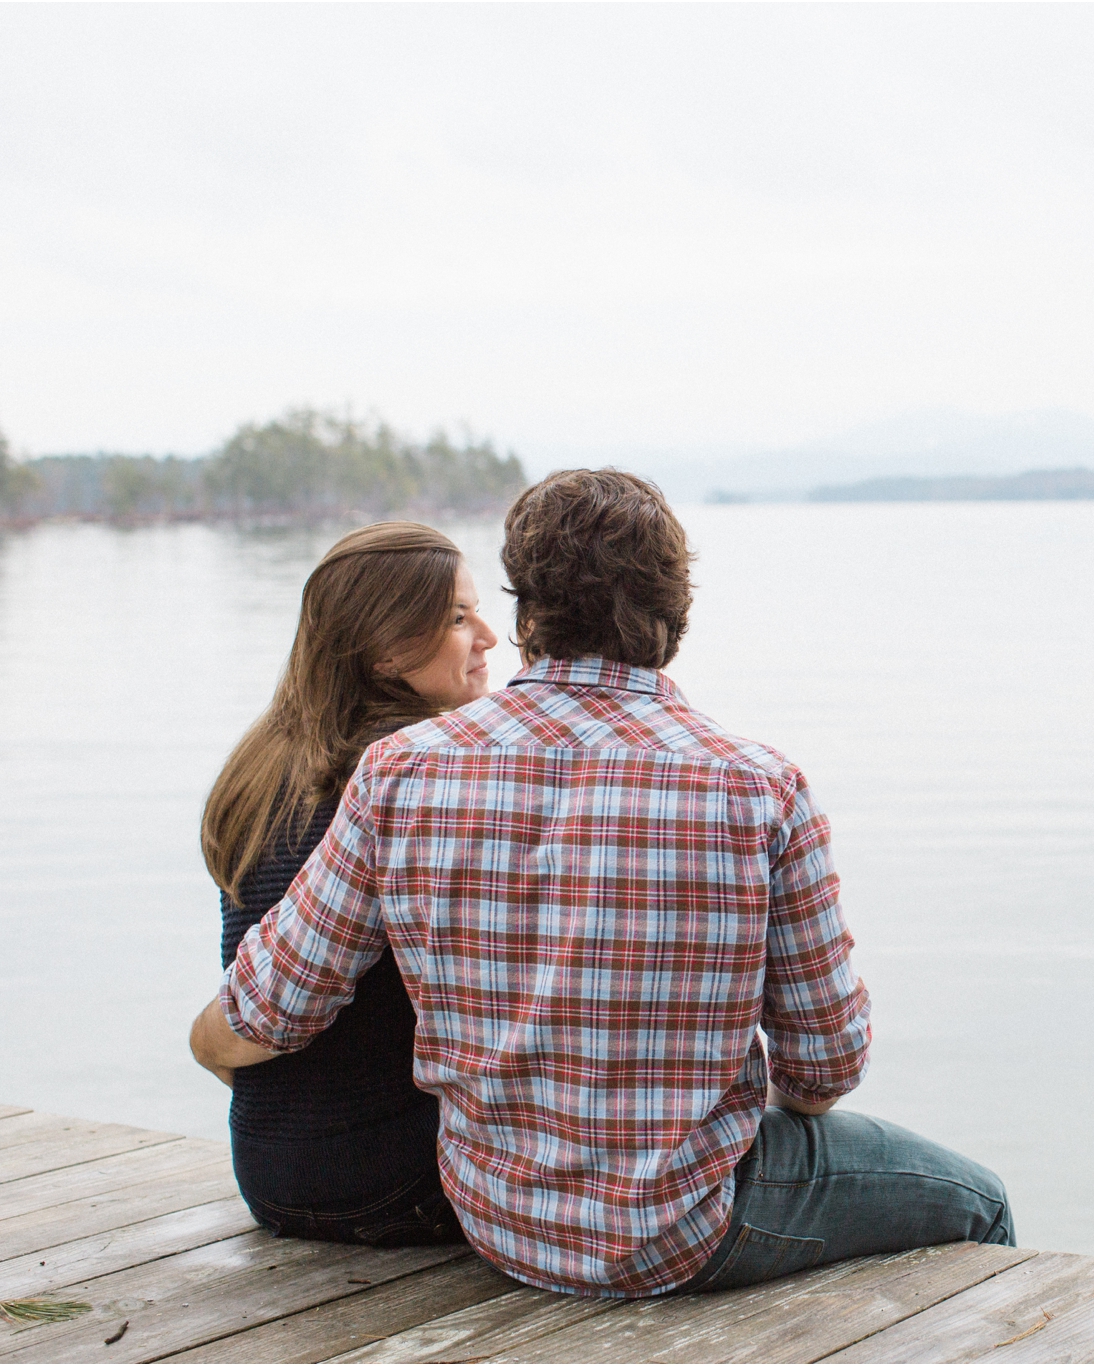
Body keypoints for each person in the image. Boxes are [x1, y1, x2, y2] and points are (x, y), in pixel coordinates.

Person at [189, 468, 1013, 1298]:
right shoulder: (757, 787)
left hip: (495, 1222)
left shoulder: (399, 771)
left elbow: (272, 1004)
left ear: (526, 614)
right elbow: (824, 1069)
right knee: (982, 1204)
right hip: (686, 1229)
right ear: (676, 610)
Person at [197, 520, 498, 1245]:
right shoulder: (405, 776)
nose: (488, 635)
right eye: (458, 618)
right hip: (396, 1179)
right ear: (389, 647)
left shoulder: (264, 763)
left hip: (272, 1174)